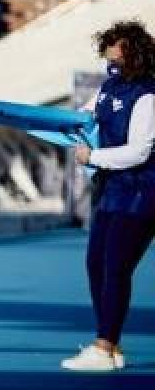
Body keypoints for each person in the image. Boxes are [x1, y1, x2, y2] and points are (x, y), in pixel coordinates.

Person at [61, 19, 155, 372]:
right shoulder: (108, 86)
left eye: (113, 49)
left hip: (144, 190)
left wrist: (93, 157)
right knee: (95, 265)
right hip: (113, 189)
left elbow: (139, 151)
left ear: (131, 52)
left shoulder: (148, 95)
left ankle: (103, 346)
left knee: (116, 267)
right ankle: (111, 346)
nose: (108, 56)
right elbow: (82, 116)